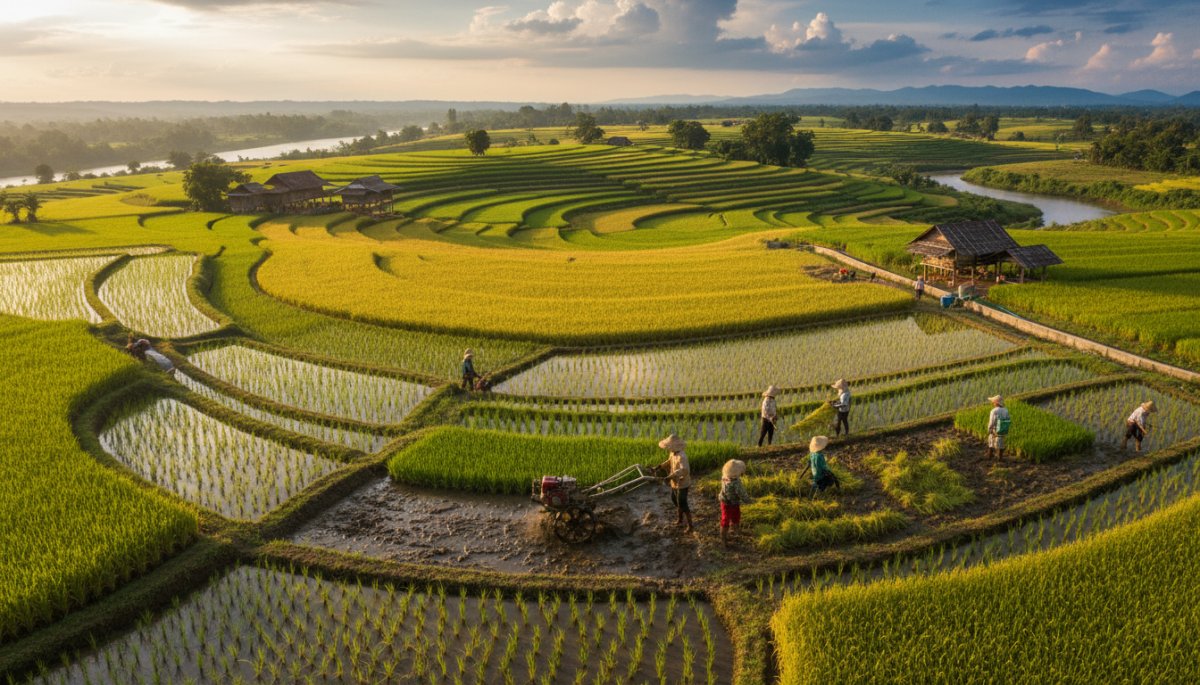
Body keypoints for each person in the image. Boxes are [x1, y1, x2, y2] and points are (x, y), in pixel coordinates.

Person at [657, 433, 693, 533]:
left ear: (674, 446)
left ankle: (690, 525)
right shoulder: (673, 453)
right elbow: (669, 461)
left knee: (682, 502)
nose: (668, 448)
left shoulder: (682, 456)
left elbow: (685, 470)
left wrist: (671, 476)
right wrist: (659, 466)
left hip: (683, 483)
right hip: (674, 482)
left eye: (669, 446)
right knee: (674, 499)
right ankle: (680, 519)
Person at [718, 459, 752, 546]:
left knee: (733, 516)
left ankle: (735, 530)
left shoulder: (724, 477)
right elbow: (742, 493)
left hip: (725, 501)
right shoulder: (736, 483)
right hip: (730, 503)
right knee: (728, 518)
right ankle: (723, 538)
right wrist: (748, 501)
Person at [986, 394, 1011, 460]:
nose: (992, 403)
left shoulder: (994, 411)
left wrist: (989, 429)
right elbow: (1008, 419)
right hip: (1002, 429)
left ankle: (990, 457)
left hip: (995, 430)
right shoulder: (1006, 410)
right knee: (1001, 443)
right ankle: (1000, 458)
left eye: (993, 402)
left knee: (991, 443)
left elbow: (991, 422)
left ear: (996, 402)